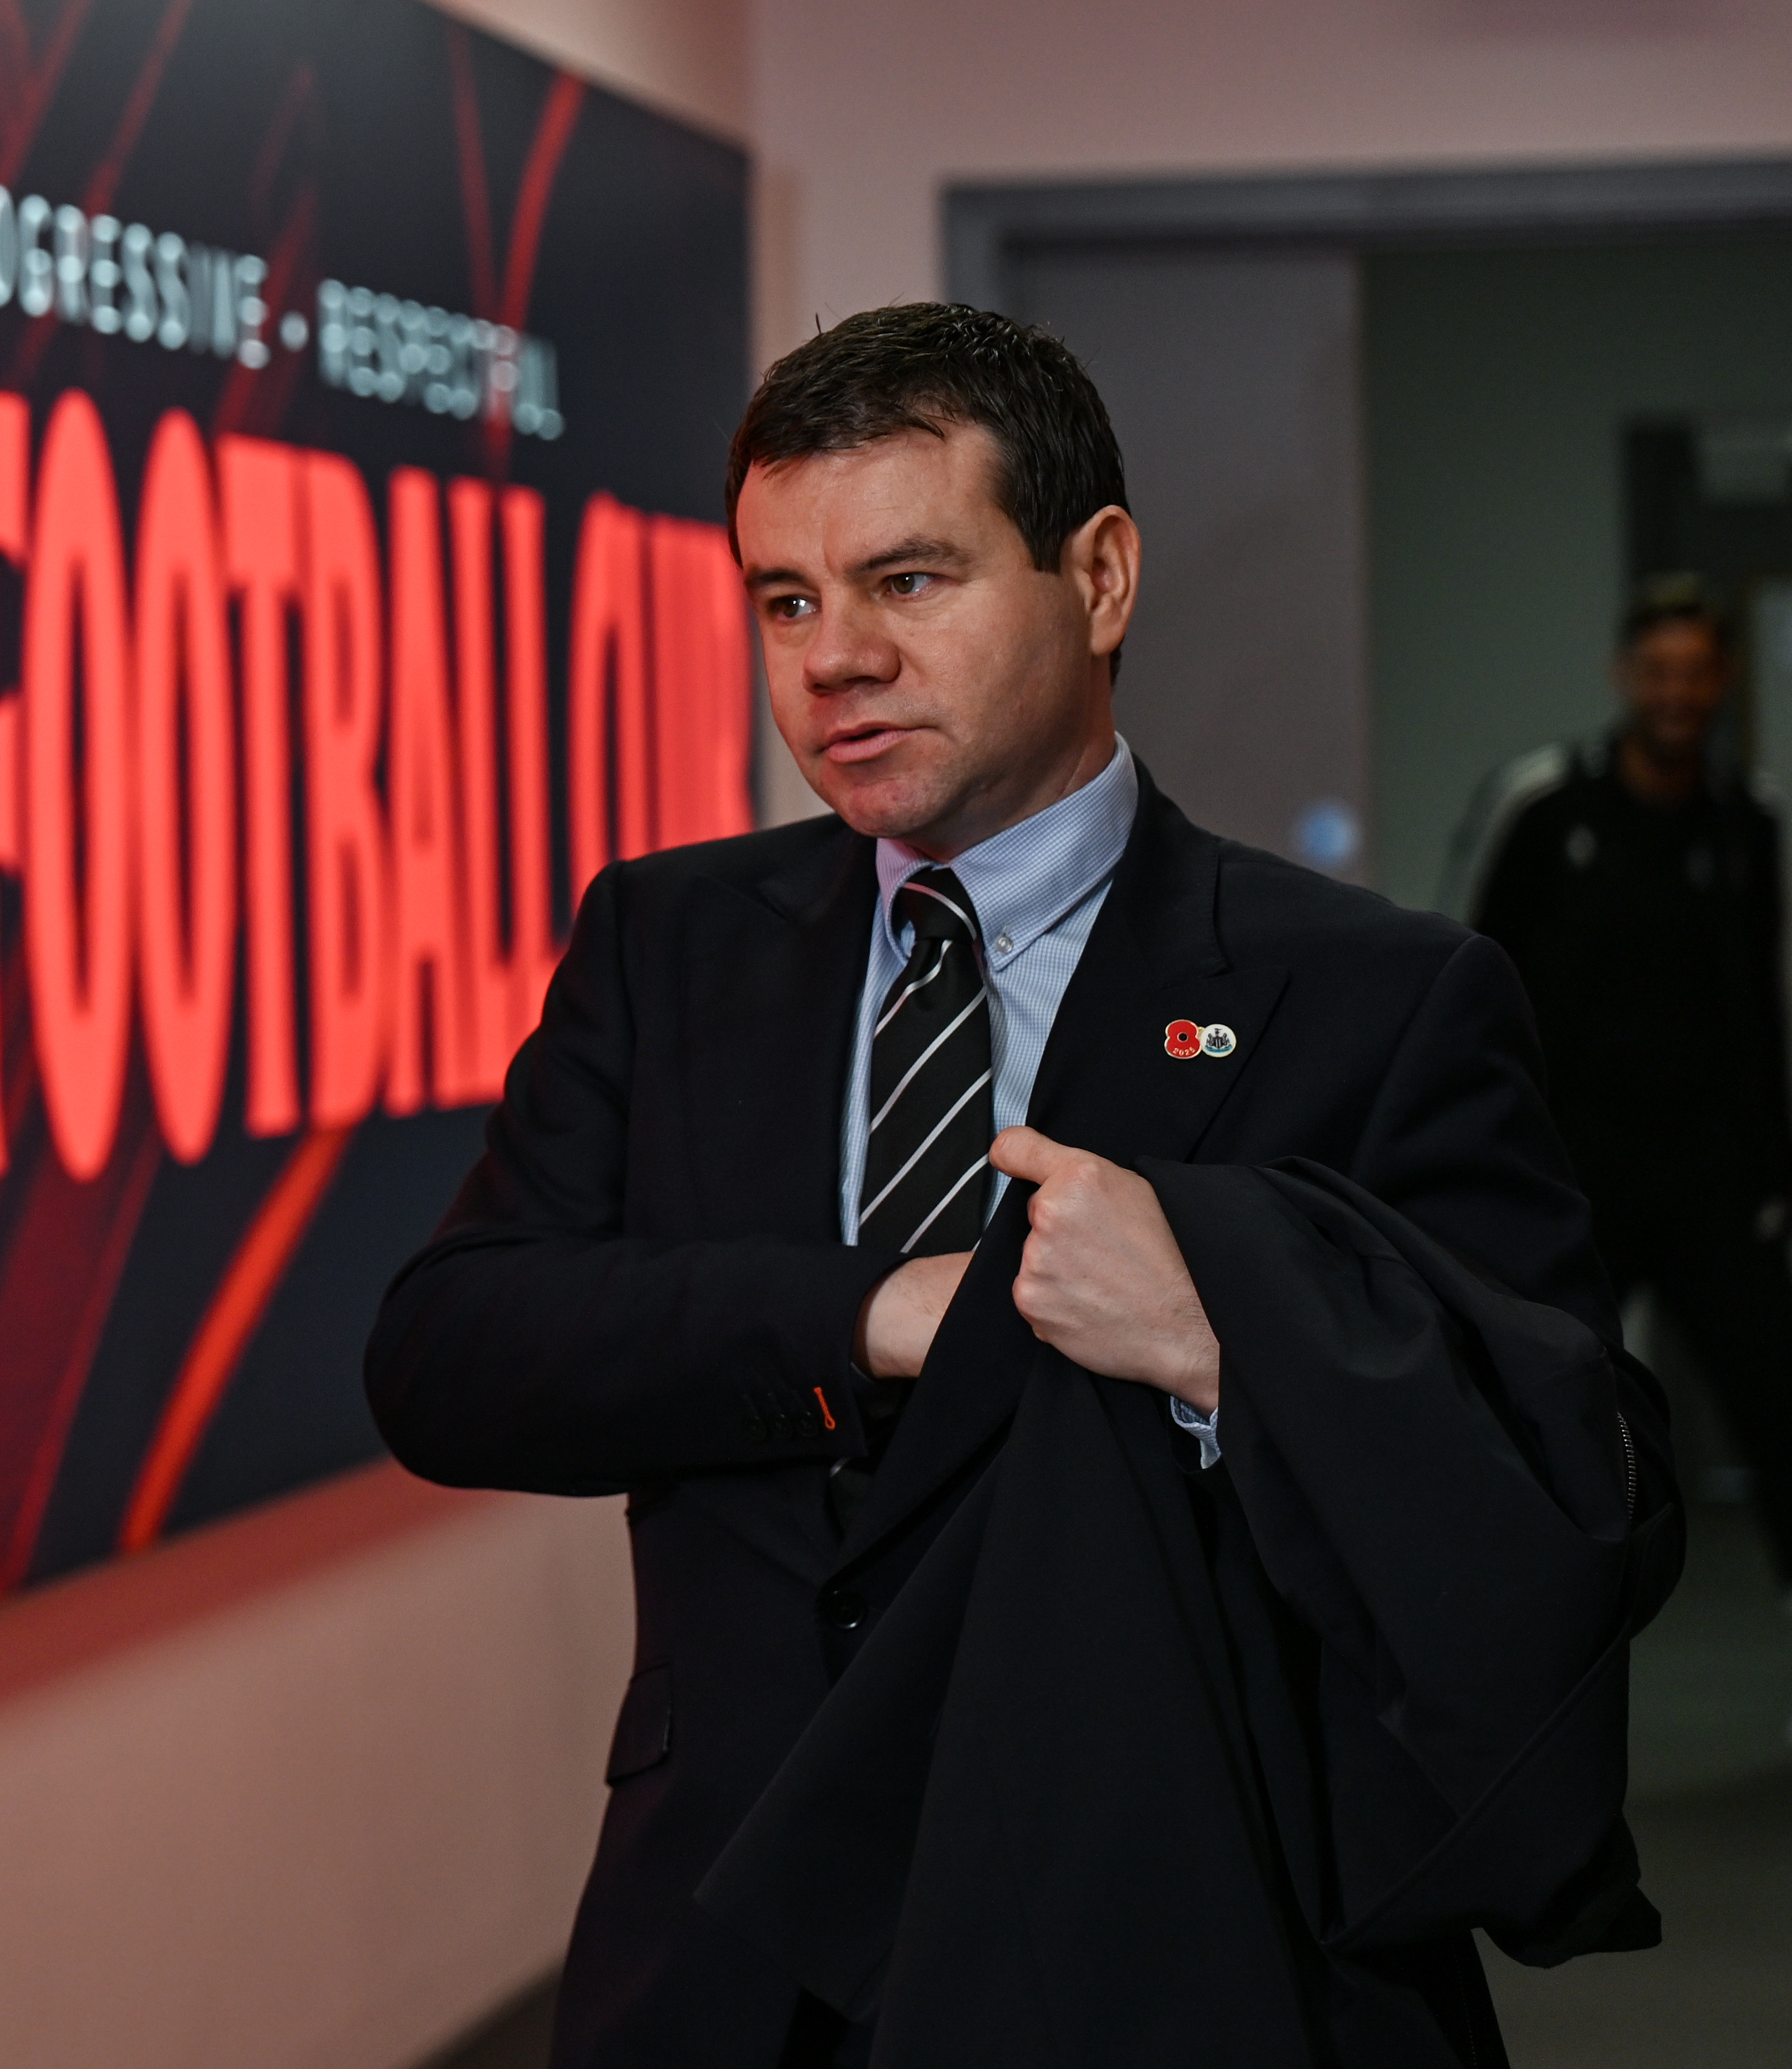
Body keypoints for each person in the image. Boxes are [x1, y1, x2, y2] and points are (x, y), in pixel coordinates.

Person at [366, 303, 1670, 2068]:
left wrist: (1230, 1340)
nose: (833, 660)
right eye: (786, 600)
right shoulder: (668, 945)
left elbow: (1567, 1470)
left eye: (910, 582)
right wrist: (877, 1309)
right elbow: (456, 1354)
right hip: (733, 1957)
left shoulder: (1372, 992)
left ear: (1102, 577)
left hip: (1185, 1946)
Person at [1465, 590, 1792, 1590]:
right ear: (1625, 678)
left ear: (1723, 684)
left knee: (1780, 1410)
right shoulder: (1545, 803)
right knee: (1541, 1415)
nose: (1678, 694)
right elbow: (1466, 981)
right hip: (1572, 1182)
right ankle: (1521, 1645)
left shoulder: (1749, 827)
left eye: (1697, 673)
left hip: (1713, 1190)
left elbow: (1765, 1007)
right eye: (1660, 672)